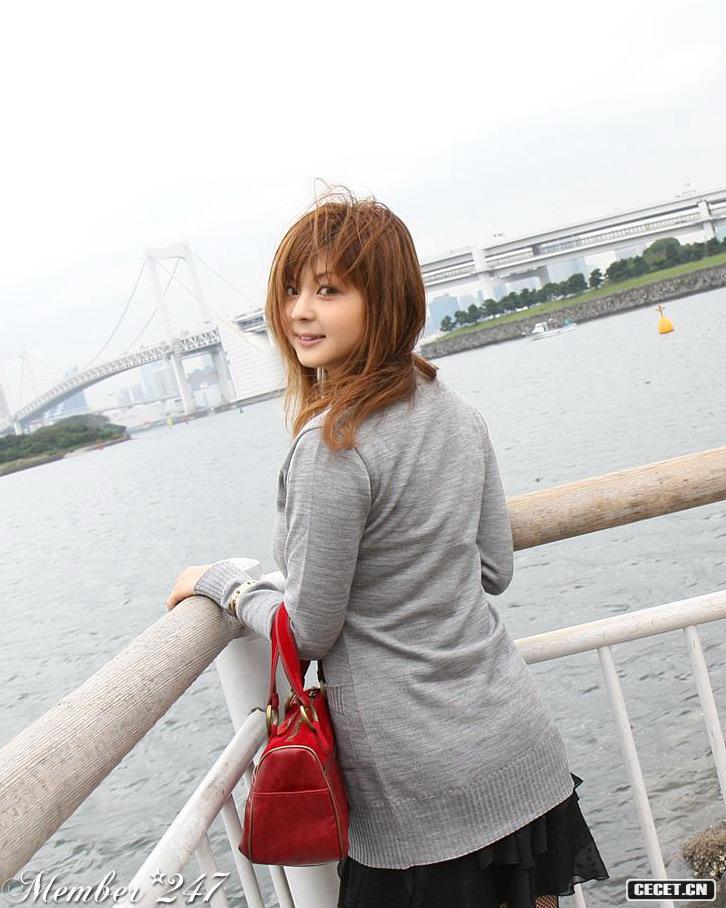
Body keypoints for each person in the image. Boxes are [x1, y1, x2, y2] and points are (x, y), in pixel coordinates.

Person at [165, 187, 609, 908]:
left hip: (421, 788)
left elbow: (308, 631)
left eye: (328, 290)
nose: (299, 311)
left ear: (386, 300)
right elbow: (494, 567)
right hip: (517, 750)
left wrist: (227, 585)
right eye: (291, 290)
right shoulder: (455, 414)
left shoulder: (332, 446)